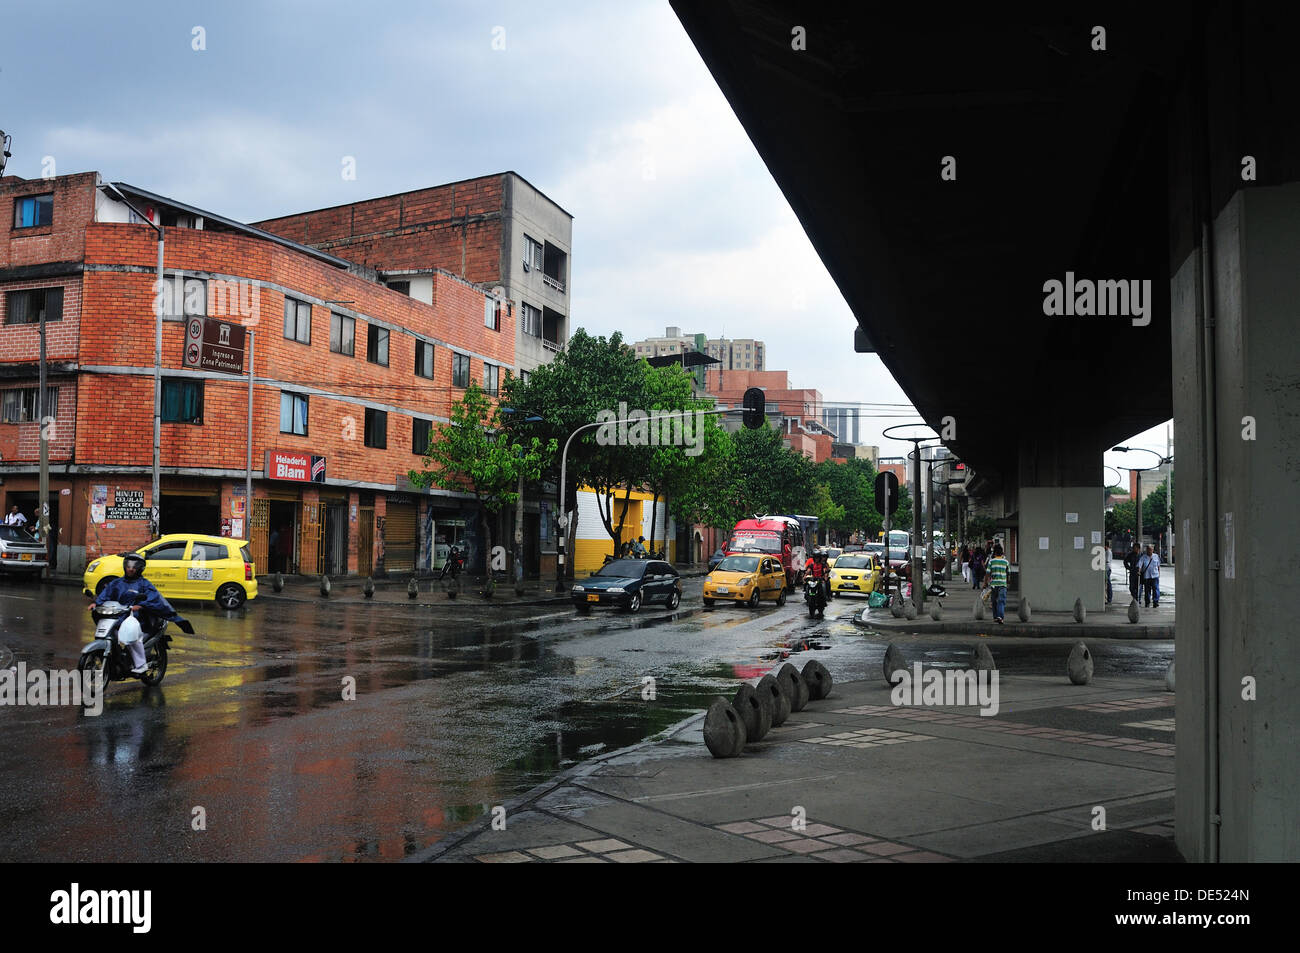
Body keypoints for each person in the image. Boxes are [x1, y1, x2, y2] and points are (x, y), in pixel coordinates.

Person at [92, 553, 183, 675]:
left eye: (134, 566)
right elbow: (105, 595)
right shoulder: (116, 583)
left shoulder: (144, 584)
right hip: (119, 616)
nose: (131, 568)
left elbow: (153, 598)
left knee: (132, 636)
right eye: (128, 565)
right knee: (112, 633)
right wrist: (96, 604)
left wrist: (141, 605)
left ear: (140, 568)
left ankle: (141, 664)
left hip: (139, 619)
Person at [986, 543, 1010, 623]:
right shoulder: (1006, 562)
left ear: (995, 553)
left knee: (994, 601)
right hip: (1003, 584)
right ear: (1002, 552)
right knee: (1001, 601)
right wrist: (1008, 581)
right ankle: (1000, 617)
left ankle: (996, 617)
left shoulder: (991, 561)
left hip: (994, 585)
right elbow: (1008, 573)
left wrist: (985, 583)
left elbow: (988, 573)